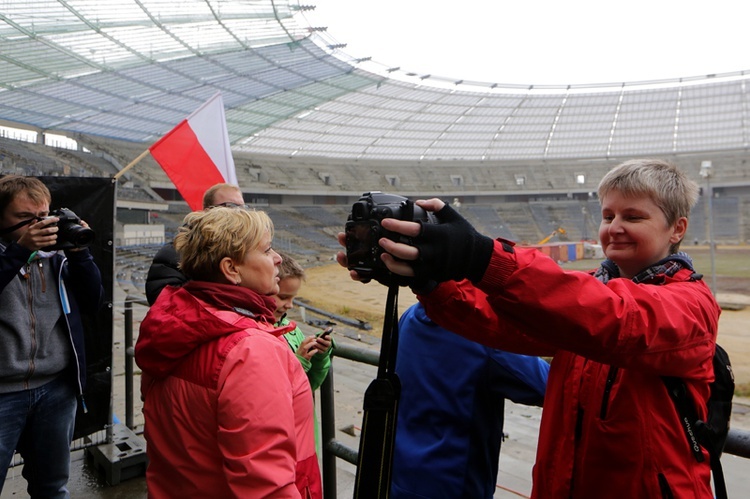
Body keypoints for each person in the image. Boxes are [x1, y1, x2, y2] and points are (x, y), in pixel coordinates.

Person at [338, 159, 720, 498]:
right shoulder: (587, 295)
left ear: (676, 229)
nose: (615, 228)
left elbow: (617, 319)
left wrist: (480, 256)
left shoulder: (693, 304)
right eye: (608, 217)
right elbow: (501, 325)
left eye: (633, 217)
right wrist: (431, 281)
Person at [135, 207, 322, 498]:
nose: (278, 259)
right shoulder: (251, 349)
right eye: (267, 249)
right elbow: (266, 486)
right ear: (231, 269)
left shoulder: (170, 325)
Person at [0, 175, 103, 498]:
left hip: (55, 389)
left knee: (53, 488)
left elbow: (92, 300)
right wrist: (18, 252)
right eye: (24, 219)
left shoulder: (56, 256)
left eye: (43, 217)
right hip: (3, 392)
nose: (38, 226)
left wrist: (80, 253)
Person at [391, 301, 549, 499]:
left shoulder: (409, 316)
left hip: (401, 476)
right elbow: (547, 385)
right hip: (455, 484)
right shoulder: (481, 333)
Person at [144, 182, 245, 305]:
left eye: (243, 208)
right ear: (208, 212)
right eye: (231, 206)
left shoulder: (245, 251)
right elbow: (164, 303)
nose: (240, 213)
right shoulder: (175, 252)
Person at [273, 250, 334, 391]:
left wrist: (319, 356)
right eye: (283, 297)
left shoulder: (292, 330)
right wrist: (299, 361)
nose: (290, 305)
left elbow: (310, 383)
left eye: (293, 298)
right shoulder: (256, 334)